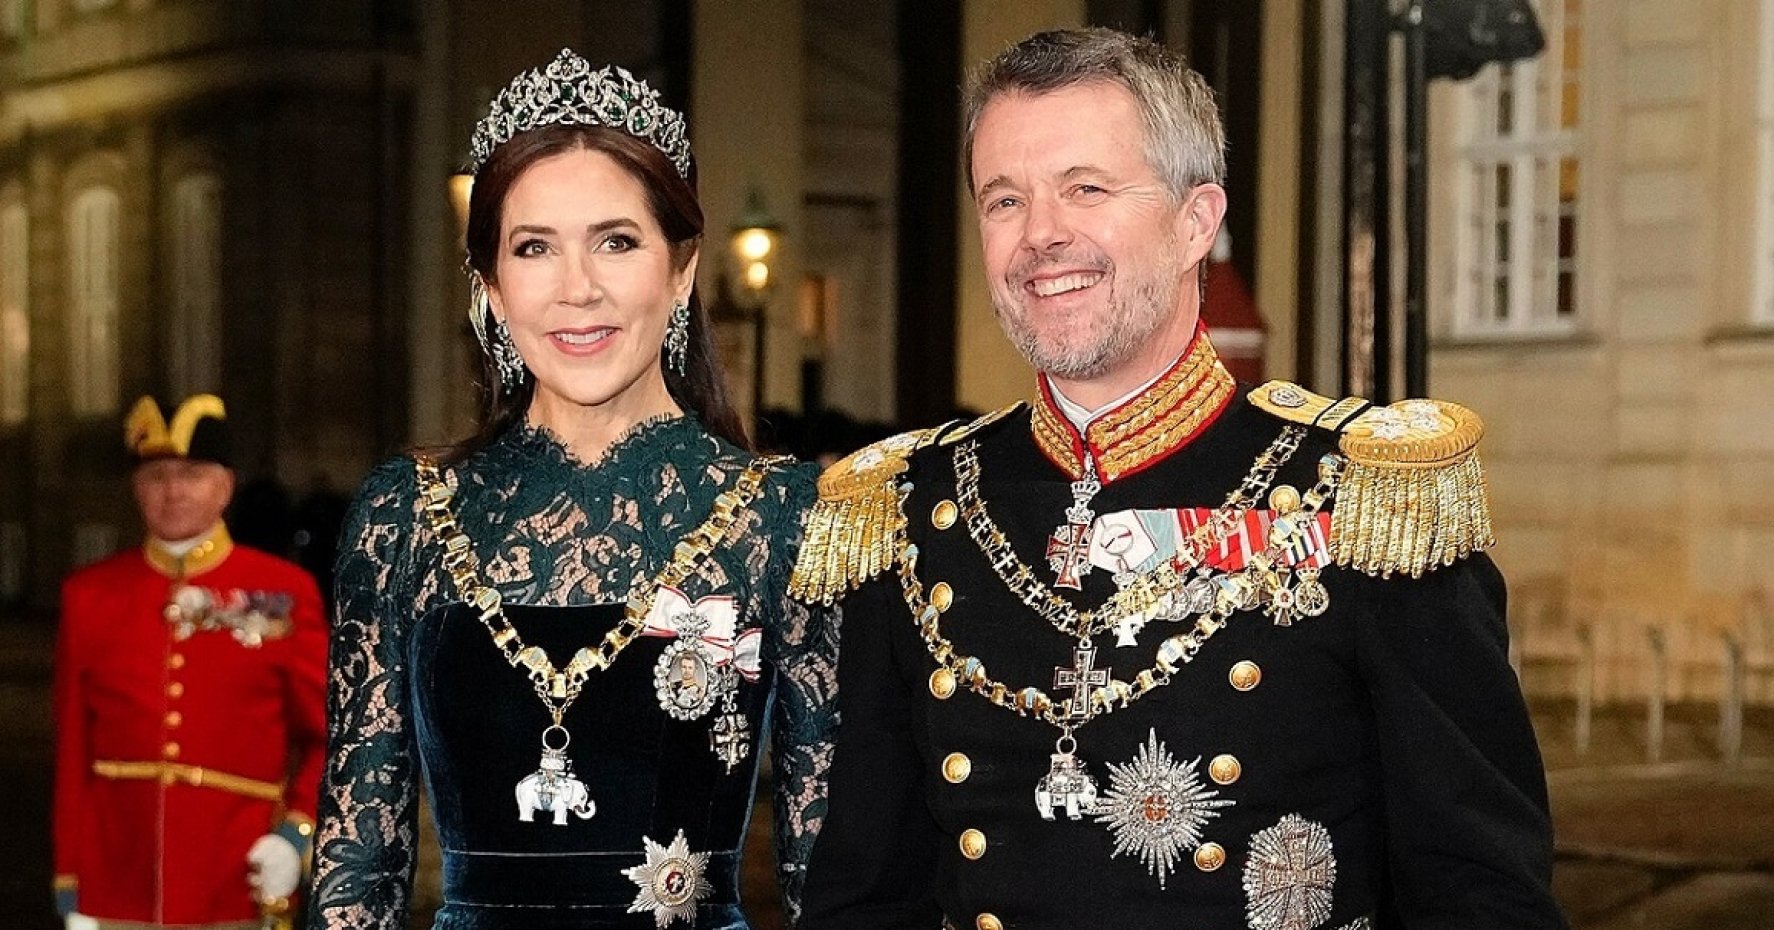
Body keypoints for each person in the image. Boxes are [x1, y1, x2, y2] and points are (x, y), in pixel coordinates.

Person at [792, 28, 1567, 930]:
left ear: (1197, 221)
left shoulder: (1364, 496)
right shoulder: (910, 508)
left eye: (1086, 188)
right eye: (1005, 199)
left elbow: (1482, 896)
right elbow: (866, 897)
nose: (1041, 234)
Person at [303, 50, 836, 930]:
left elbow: (832, 867)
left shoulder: (785, 516)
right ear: (490, 285)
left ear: (682, 269)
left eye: (616, 242)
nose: (577, 289)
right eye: (534, 248)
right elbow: (357, 869)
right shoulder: (406, 514)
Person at [53, 394, 328, 929]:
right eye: (157, 476)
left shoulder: (282, 592)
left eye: (192, 475)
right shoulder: (90, 596)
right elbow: (72, 752)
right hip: (116, 888)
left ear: (225, 486)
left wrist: (296, 834)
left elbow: (328, 735)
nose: (174, 491)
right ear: (136, 488)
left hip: (235, 882)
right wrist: (71, 884)